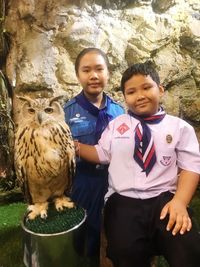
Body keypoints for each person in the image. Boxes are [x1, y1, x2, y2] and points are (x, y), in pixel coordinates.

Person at [74, 61, 200, 267]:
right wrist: (74, 146)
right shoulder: (117, 125)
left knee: (188, 250)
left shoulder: (179, 127)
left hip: (165, 200)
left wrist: (180, 202)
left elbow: (191, 167)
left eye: (147, 87)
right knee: (125, 253)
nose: (140, 95)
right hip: (123, 201)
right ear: (125, 98)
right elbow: (101, 152)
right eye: (131, 92)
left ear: (160, 89)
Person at [64, 48, 124, 266]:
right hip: (82, 183)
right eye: (86, 70)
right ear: (78, 75)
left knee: (113, 233)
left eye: (99, 69)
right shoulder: (66, 112)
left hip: (113, 182)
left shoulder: (120, 112)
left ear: (107, 73)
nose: (94, 75)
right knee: (82, 237)